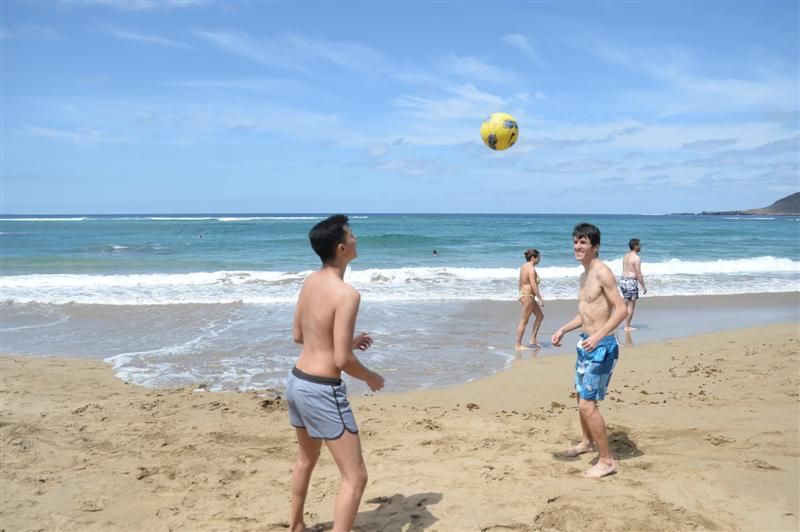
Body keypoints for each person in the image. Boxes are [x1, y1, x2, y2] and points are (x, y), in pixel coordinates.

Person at [287, 214, 385, 532]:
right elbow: (342, 360)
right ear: (342, 248)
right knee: (355, 478)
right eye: (352, 234)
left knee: (306, 460)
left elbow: (300, 337)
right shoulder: (347, 295)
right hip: (321, 391)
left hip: (297, 382)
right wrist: (370, 376)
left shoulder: (310, 281)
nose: (357, 238)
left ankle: (296, 526)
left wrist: (348, 342)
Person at [551, 223, 627, 479]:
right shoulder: (583, 275)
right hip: (586, 343)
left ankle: (607, 461)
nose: (577, 246)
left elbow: (621, 310)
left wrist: (598, 335)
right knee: (580, 397)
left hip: (602, 347)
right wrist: (564, 329)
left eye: (583, 242)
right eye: (575, 241)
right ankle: (586, 443)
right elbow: (585, 315)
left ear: (595, 247)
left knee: (587, 405)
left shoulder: (602, 272)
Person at [515, 248, 545, 349]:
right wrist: (540, 299)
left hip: (525, 295)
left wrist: (520, 296)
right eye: (538, 258)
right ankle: (518, 345)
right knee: (524, 321)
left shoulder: (523, 267)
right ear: (533, 258)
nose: (539, 260)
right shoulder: (531, 269)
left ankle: (533, 339)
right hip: (528, 296)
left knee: (540, 316)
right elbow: (533, 285)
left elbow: (520, 282)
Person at [620, 238, 647, 331]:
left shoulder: (626, 255)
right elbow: (638, 273)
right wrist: (643, 286)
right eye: (639, 245)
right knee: (630, 306)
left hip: (623, 281)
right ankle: (627, 326)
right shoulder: (636, 258)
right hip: (631, 282)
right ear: (635, 246)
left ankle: (615, 320)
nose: (641, 246)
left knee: (625, 303)